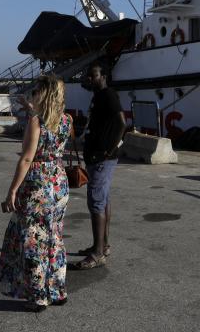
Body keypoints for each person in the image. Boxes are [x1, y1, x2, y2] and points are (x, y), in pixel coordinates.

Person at [0, 74, 71, 312]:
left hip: (38, 184)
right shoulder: (67, 120)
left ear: (45, 94)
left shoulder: (36, 122)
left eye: (37, 91)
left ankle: (39, 295)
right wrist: (31, 110)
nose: (34, 94)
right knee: (54, 237)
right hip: (58, 182)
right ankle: (57, 290)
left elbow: (27, 158)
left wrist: (12, 190)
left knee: (33, 240)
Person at [73, 64, 125, 270]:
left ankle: (97, 254)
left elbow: (122, 123)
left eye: (93, 75)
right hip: (95, 156)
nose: (89, 78)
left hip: (103, 157)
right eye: (88, 75)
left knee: (96, 201)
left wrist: (111, 149)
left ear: (103, 76)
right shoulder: (97, 97)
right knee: (103, 200)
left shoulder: (108, 95)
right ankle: (102, 245)